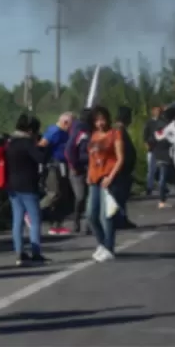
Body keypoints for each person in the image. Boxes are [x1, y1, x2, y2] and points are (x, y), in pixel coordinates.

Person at [6, 114, 47, 265]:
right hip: (28, 185)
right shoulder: (27, 143)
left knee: (17, 220)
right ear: (30, 130)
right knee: (35, 220)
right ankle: (36, 253)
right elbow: (41, 158)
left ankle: (19, 253)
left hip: (12, 185)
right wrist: (44, 147)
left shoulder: (10, 142)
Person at [86, 106, 124, 261]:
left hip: (108, 177)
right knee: (90, 215)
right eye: (97, 120)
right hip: (94, 178)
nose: (100, 123)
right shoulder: (94, 136)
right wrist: (89, 174)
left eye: (102, 119)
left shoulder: (115, 134)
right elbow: (92, 158)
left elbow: (121, 158)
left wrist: (111, 176)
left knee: (105, 215)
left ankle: (109, 247)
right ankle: (101, 243)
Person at [38, 112, 74, 236]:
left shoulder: (63, 132)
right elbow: (42, 144)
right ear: (65, 123)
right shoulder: (54, 131)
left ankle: (56, 225)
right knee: (54, 193)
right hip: (53, 166)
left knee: (62, 196)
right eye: (70, 125)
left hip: (62, 166)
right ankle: (34, 211)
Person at [64, 110, 92, 234]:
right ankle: (77, 220)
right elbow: (69, 150)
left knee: (88, 197)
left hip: (88, 167)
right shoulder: (81, 131)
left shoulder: (87, 131)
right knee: (81, 196)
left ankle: (88, 224)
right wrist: (73, 166)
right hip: (78, 168)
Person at [113, 106, 139, 229]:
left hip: (124, 169)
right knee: (119, 197)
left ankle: (122, 219)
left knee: (121, 197)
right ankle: (120, 220)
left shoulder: (120, 130)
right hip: (121, 170)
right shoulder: (119, 131)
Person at [145, 106, 173, 208]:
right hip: (161, 153)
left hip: (158, 152)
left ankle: (161, 194)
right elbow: (147, 137)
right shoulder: (164, 125)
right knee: (157, 173)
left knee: (160, 175)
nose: (159, 113)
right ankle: (155, 192)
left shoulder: (160, 126)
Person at [144, 106, 164, 197]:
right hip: (152, 148)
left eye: (159, 111)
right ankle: (149, 187)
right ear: (153, 112)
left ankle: (162, 187)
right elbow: (145, 135)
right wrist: (146, 145)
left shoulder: (163, 122)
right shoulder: (149, 123)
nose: (158, 112)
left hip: (161, 148)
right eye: (156, 111)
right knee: (151, 169)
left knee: (161, 169)